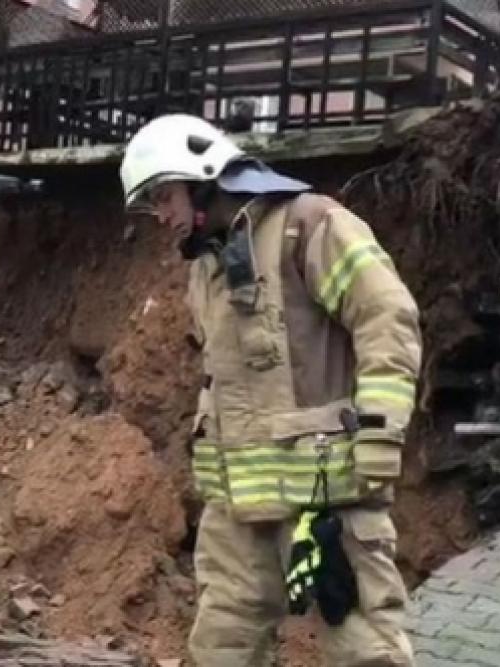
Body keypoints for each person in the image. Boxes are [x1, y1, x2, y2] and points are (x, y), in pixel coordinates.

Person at [120, 114, 420, 667]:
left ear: (203, 175)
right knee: (220, 648)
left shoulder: (307, 225)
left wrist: (380, 427)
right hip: (238, 509)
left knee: (363, 649)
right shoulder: (206, 266)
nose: (160, 216)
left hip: (327, 501)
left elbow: (387, 316)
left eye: (164, 196)